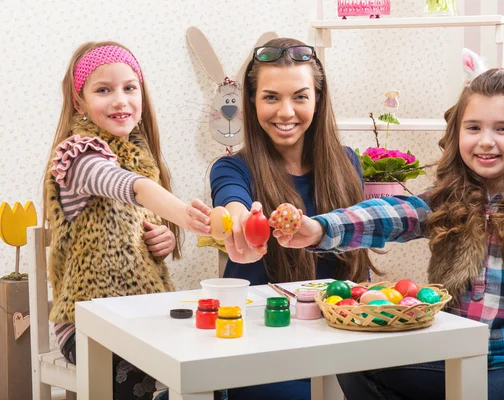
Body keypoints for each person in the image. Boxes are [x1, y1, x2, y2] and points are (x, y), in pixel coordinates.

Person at [272, 49, 504, 399]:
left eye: (503, 129)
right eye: (473, 128)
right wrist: (321, 228)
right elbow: (392, 213)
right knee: (356, 365)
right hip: (457, 355)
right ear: (457, 132)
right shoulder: (450, 200)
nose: (486, 140)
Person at [206, 38, 376, 399]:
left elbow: (357, 245)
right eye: (271, 97)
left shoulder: (347, 163)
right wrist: (239, 222)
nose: (285, 112)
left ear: (317, 99)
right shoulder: (231, 168)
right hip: (259, 345)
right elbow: (231, 203)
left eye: (299, 96)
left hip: (338, 343)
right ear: (251, 103)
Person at [42, 41, 211, 400]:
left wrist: (161, 241)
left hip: (140, 313)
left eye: (129, 88)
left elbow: (132, 226)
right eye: (103, 90)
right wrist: (182, 214)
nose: (120, 100)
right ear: (79, 102)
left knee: (209, 346)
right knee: (132, 366)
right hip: (86, 323)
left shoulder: (140, 157)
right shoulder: (78, 156)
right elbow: (127, 186)